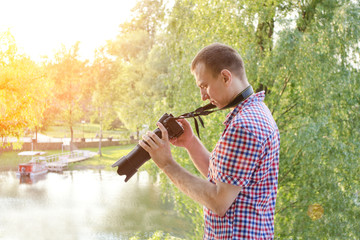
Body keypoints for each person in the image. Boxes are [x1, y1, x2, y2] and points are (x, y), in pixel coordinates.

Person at [139, 43, 280, 239]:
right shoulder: (256, 113)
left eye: (204, 86)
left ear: (225, 77)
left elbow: (218, 201)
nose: (203, 96)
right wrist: (191, 143)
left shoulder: (244, 126)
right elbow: (226, 180)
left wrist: (166, 164)